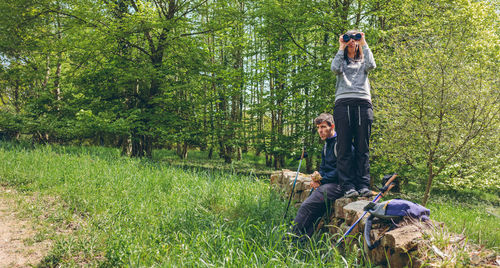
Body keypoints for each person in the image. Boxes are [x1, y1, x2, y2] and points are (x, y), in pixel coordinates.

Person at [330, 30, 376, 198]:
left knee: (362, 147)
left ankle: (363, 185)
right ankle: (347, 185)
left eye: (355, 38)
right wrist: (341, 47)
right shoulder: (340, 61)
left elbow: (372, 65)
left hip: (363, 103)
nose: (352, 41)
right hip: (343, 104)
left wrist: (364, 42)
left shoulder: (364, 60)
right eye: (348, 38)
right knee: (344, 147)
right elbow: (334, 69)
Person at [291, 113, 344, 239]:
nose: (320, 131)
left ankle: (288, 240)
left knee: (306, 207)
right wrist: (317, 177)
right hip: (329, 183)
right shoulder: (326, 146)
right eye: (318, 128)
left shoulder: (341, 144)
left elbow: (342, 170)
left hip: (340, 185)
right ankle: (301, 242)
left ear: (332, 126)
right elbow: (324, 168)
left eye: (323, 127)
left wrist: (321, 179)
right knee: (315, 211)